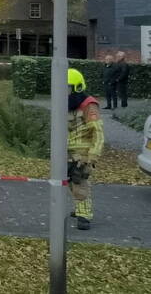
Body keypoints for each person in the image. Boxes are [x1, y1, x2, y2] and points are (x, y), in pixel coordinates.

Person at [67, 68, 104, 231]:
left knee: (80, 183)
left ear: (77, 88)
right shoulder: (68, 104)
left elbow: (98, 133)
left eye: (68, 89)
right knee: (70, 182)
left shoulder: (89, 106)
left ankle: (84, 217)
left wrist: (92, 157)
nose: (65, 93)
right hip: (67, 153)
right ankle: (79, 208)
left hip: (82, 155)